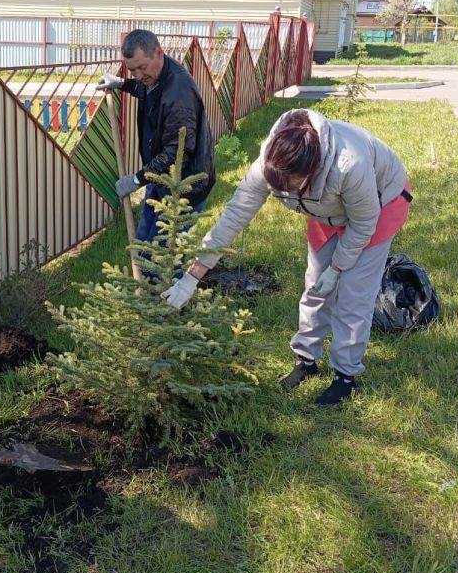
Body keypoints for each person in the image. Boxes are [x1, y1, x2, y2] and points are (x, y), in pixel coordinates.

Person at [161, 108, 412, 406]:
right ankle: (306, 360)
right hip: (324, 211)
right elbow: (235, 214)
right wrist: (192, 277)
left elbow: (363, 223)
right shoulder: (272, 158)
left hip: (378, 207)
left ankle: (346, 376)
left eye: (290, 188)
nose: (283, 194)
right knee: (315, 287)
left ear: (312, 171)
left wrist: (338, 267)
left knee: (352, 297)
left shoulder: (348, 166)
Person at [98, 29, 216, 243]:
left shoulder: (179, 93)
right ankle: (143, 275)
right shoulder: (154, 76)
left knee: (165, 256)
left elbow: (177, 151)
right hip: (160, 177)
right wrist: (122, 83)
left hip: (185, 186)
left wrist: (136, 179)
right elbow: (146, 88)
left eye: (142, 67)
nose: (139, 76)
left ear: (158, 53)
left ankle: (166, 278)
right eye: (133, 71)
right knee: (144, 242)